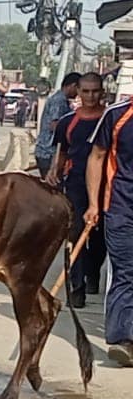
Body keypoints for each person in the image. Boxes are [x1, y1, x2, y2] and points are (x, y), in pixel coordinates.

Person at [46, 73, 108, 307]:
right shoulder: (68, 122)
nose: (91, 96)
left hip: (107, 186)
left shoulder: (109, 119)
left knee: (100, 237)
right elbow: (62, 151)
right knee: (75, 233)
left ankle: (93, 273)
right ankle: (77, 287)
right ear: (79, 92)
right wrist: (55, 171)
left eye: (95, 91)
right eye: (86, 91)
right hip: (75, 184)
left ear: (102, 92)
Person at [85, 91, 133, 366]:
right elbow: (97, 157)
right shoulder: (116, 115)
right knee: (125, 271)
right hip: (121, 207)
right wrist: (93, 203)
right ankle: (122, 339)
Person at [35, 73, 81, 178]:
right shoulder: (59, 101)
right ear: (73, 86)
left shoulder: (62, 100)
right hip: (49, 153)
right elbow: (55, 125)